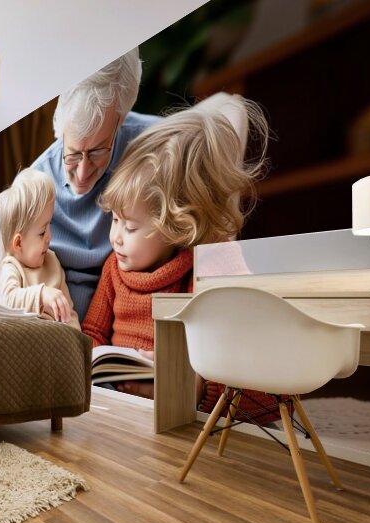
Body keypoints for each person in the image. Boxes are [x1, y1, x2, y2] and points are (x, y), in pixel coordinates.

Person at [81, 95, 268, 397]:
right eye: (114, 220)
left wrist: (188, 387)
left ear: (176, 227)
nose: (115, 236)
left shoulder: (207, 263)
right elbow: (93, 332)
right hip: (116, 396)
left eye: (130, 227)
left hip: (182, 398)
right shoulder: (114, 266)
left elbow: (242, 351)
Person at [31, 48, 160, 318]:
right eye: (73, 153)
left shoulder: (156, 146)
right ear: (60, 128)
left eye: (99, 151)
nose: (82, 173)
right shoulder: (34, 185)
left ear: (121, 119)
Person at [0, 168, 80, 328]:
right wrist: (41, 295)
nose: (50, 236)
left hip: (57, 342)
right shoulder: (12, 267)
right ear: (19, 243)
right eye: (42, 232)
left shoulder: (52, 262)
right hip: (27, 343)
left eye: (50, 225)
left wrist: (78, 341)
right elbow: (6, 300)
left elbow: (69, 313)